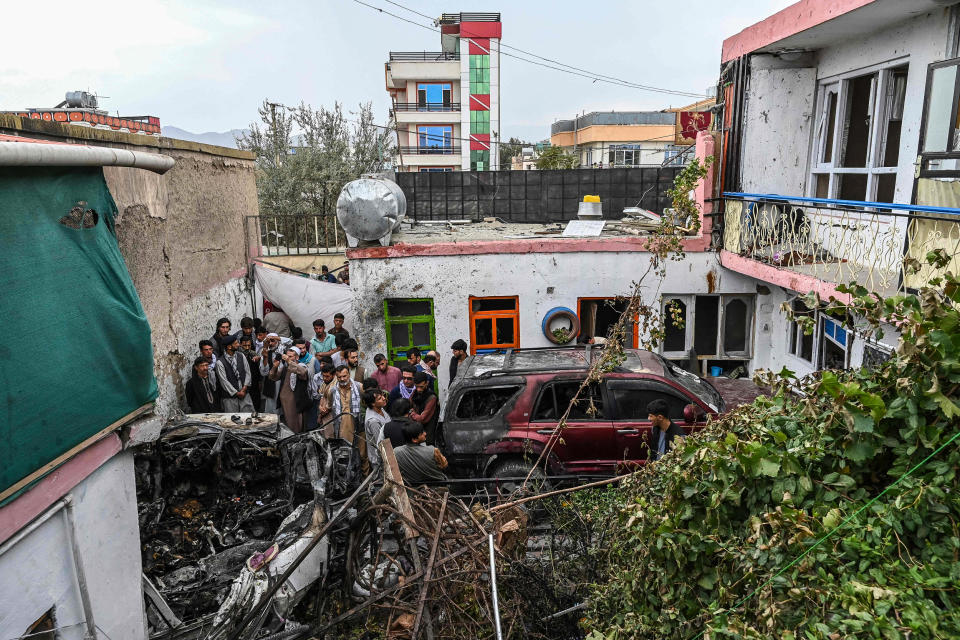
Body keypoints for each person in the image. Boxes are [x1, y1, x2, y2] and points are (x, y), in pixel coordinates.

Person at [328, 365, 367, 471]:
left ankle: (365, 481)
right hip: (342, 428)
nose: (342, 379)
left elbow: (368, 403)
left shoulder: (359, 387)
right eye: (339, 377)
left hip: (359, 426)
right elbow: (330, 405)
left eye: (344, 376)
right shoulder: (332, 391)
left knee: (362, 455)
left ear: (349, 375)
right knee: (345, 456)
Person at [268, 346, 311, 432]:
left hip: (296, 402)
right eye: (287, 356)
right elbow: (272, 377)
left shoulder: (301, 366)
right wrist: (275, 367)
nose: (288, 358)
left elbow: (303, 372)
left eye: (290, 356)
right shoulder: (285, 368)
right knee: (287, 425)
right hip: (285, 403)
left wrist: (289, 361)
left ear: (297, 357)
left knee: (297, 426)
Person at [394, 420, 448, 486]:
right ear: (414, 439)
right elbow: (444, 465)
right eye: (421, 433)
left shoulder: (396, 451)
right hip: (435, 487)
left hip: (411, 487)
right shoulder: (433, 451)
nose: (425, 433)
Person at [216, 334, 254, 413]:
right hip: (230, 398)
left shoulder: (241, 356)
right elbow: (224, 381)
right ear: (229, 347)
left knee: (248, 417)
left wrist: (244, 388)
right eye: (236, 343)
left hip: (244, 395)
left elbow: (248, 373)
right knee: (232, 420)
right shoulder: (220, 362)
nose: (238, 345)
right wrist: (236, 393)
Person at [362, 389, 390, 471]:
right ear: (373, 403)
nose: (384, 398)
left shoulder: (380, 408)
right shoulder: (373, 421)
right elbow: (380, 442)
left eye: (383, 396)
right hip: (379, 459)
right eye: (380, 398)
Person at [409, 371, 439, 444]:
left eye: (421, 387)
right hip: (417, 432)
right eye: (416, 387)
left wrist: (411, 413)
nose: (418, 389)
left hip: (427, 434)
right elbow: (408, 405)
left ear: (427, 383)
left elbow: (422, 419)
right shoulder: (414, 393)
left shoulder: (432, 398)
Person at [259, 333, 284, 413]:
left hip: (283, 384)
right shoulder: (265, 352)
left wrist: (274, 337)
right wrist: (265, 358)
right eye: (268, 341)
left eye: (273, 341)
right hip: (270, 383)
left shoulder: (284, 350)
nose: (270, 343)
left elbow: (290, 341)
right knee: (271, 408)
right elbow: (263, 373)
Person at [238, 334, 263, 411]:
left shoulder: (253, 354)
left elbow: (258, 369)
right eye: (244, 345)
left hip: (254, 382)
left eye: (249, 345)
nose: (247, 348)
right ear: (240, 344)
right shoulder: (237, 355)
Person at [311, 363, 337, 428]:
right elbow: (322, 396)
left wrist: (320, 415)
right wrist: (320, 406)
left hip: (331, 415)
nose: (325, 378)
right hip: (323, 411)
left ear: (333, 375)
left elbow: (330, 406)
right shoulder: (325, 383)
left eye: (327, 376)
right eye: (323, 376)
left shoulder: (334, 387)